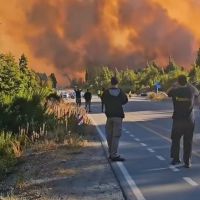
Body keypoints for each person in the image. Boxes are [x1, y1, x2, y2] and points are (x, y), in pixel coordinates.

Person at [167, 75, 200, 168]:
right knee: (188, 141)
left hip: (178, 120)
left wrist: (174, 85)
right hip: (189, 120)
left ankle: (175, 159)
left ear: (178, 82)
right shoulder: (191, 90)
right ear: (186, 82)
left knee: (175, 140)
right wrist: (189, 84)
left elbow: (167, 92)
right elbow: (197, 93)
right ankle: (187, 161)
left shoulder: (175, 91)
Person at [102, 77, 128, 162]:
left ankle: (111, 153)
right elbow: (125, 100)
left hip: (109, 117)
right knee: (115, 136)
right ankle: (114, 155)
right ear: (117, 82)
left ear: (111, 82)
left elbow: (103, 100)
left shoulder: (106, 92)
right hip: (117, 116)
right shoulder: (120, 92)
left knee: (109, 135)